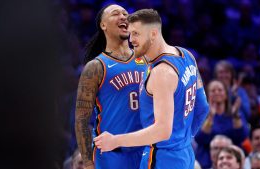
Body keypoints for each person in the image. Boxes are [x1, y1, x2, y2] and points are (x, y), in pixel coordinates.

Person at [94, 8, 209, 169]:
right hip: (184, 155)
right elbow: (203, 107)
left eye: (136, 34)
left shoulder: (161, 73)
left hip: (161, 158)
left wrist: (115, 141)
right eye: (130, 33)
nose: (131, 39)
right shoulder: (186, 55)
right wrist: (183, 140)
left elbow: (162, 131)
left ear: (153, 34)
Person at [75, 4, 146, 169]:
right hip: (112, 155)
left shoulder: (147, 60)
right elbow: (81, 120)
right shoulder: (96, 66)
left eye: (125, 14)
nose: (123, 17)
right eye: (116, 14)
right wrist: (88, 164)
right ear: (103, 25)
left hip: (146, 151)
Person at [195, 80, 249, 168]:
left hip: (231, 161)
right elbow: (200, 139)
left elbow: (241, 136)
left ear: (226, 94)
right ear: (207, 95)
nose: (217, 92)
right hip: (206, 162)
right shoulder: (201, 114)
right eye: (213, 91)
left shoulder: (235, 112)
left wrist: (235, 115)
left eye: (220, 90)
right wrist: (211, 117)